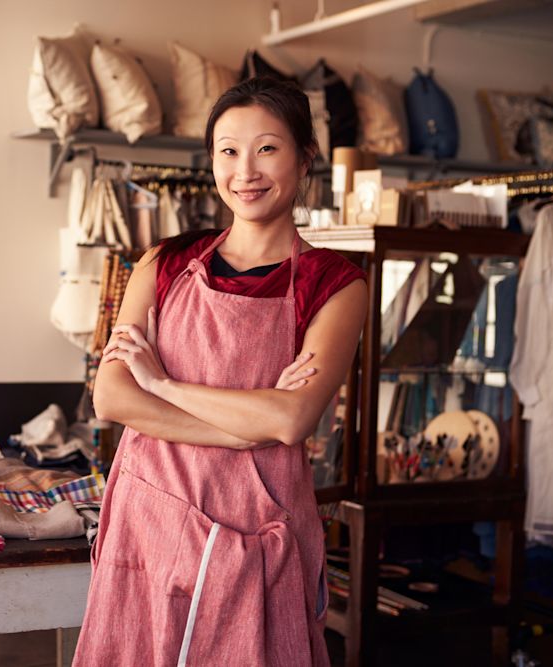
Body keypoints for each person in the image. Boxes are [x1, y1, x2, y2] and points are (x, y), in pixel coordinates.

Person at [73, 77, 367, 666]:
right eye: (228, 151)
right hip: (148, 517)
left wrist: (161, 386)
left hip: (257, 527)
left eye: (267, 148)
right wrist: (245, 427)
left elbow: (292, 417)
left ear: (305, 156)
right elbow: (110, 398)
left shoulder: (335, 283)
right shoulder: (164, 262)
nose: (245, 171)